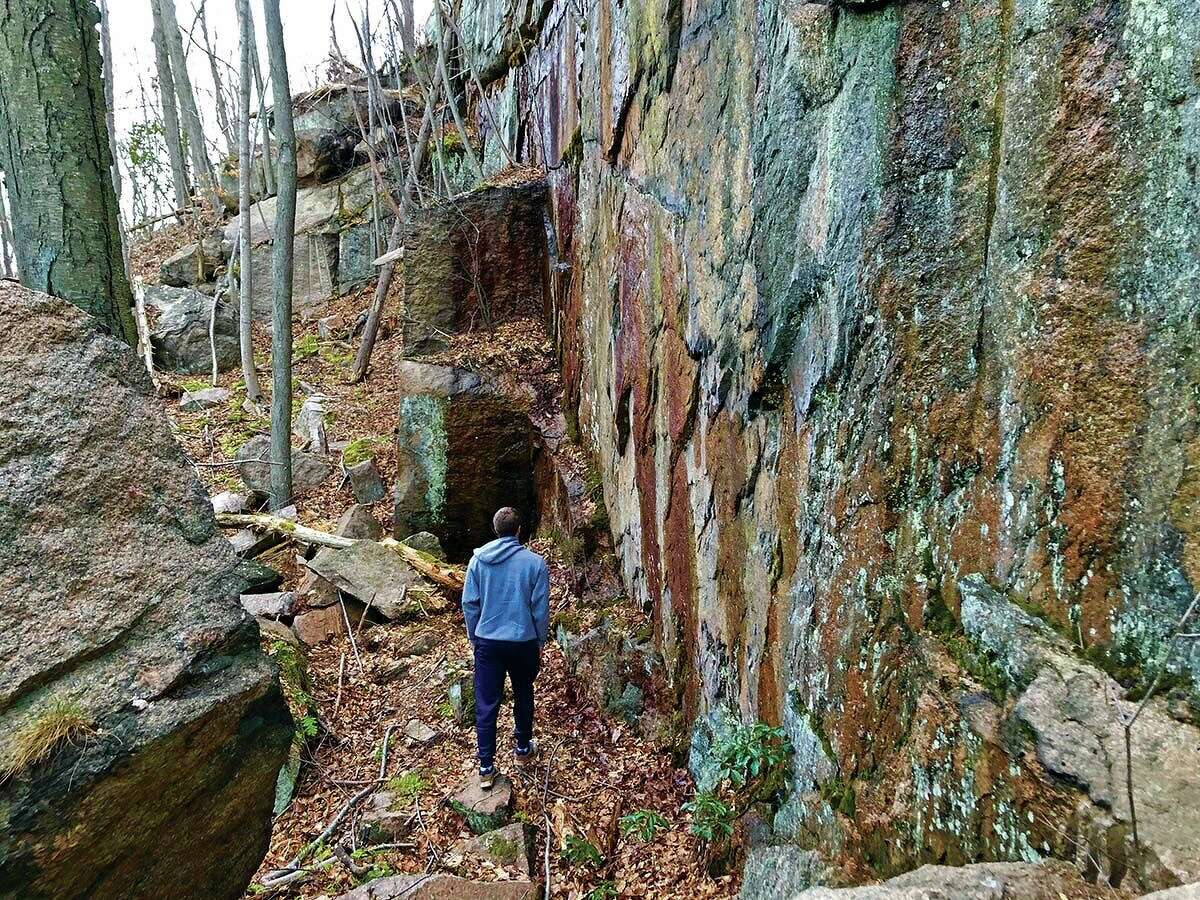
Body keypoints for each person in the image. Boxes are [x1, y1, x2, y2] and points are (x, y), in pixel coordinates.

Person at [461, 506, 550, 789]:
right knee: (524, 693)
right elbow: (540, 609)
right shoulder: (535, 564)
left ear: (495, 529)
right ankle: (523, 750)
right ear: (519, 530)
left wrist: (474, 637)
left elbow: (469, 604)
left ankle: (486, 766)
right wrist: (540, 640)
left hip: (488, 643)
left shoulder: (478, 561)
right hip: (523, 641)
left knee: (487, 704)